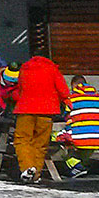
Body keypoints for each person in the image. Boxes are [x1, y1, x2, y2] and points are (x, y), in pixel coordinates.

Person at [11, 54, 71, 184]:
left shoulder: (25, 68)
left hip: (25, 109)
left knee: (22, 140)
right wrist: (65, 100)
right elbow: (62, 89)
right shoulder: (52, 69)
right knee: (40, 144)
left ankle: (27, 167)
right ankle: (36, 174)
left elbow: (20, 88)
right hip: (47, 110)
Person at [62, 76, 99, 177]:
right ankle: (81, 165)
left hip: (83, 136)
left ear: (74, 86)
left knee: (62, 140)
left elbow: (66, 115)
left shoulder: (72, 99)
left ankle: (76, 166)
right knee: (88, 144)